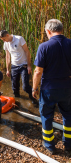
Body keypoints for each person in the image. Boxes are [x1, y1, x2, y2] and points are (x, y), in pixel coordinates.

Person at [32, 19, 71, 154]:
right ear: (61, 29)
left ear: (48, 31)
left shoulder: (44, 47)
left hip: (49, 88)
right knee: (68, 114)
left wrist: (34, 88)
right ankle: (68, 143)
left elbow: (38, 71)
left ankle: (49, 145)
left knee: (47, 116)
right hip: (67, 87)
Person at [0, 30, 37, 104]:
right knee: (14, 87)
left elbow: (27, 51)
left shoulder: (19, 39)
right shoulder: (6, 44)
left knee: (25, 87)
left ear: (7, 35)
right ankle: (17, 102)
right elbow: (7, 56)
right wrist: (7, 70)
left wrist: (29, 66)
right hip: (14, 66)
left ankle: (34, 98)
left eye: (4, 39)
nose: (4, 41)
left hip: (24, 65)